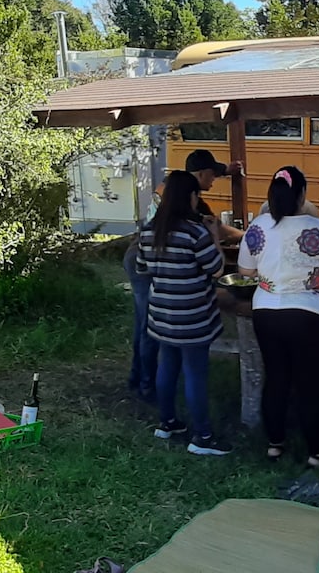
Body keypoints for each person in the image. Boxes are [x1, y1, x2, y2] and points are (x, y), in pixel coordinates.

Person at [237, 166, 319, 468]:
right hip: (309, 313)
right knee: (309, 384)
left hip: (266, 312)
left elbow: (245, 271)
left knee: (276, 378)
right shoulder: (316, 226)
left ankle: (275, 444)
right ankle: (317, 453)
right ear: (302, 194)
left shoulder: (257, 226)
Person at [135, 170, 230, 456]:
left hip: (162, 314)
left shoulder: (150, 229)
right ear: (191, 197)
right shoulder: (195, 232)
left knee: (168, 367)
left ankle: (168, 423)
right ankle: (202, 437)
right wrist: (214, 237)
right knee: (195, 374)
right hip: (193, 316)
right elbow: (217, 269)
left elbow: (143, 269)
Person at [184, 149, 245, 243]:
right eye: (213, 174)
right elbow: (220, 230)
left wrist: (225, 171)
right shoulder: (196, 203)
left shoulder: (176, 189)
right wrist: (247, 235)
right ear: (201, 174)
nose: (214, 178)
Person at [123, 238, 158, 401]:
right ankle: (147, 385)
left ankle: (135, 376)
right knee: (148, 329)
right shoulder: (197, 217)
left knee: (142, 324)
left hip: (135, 252)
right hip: (145, 256)